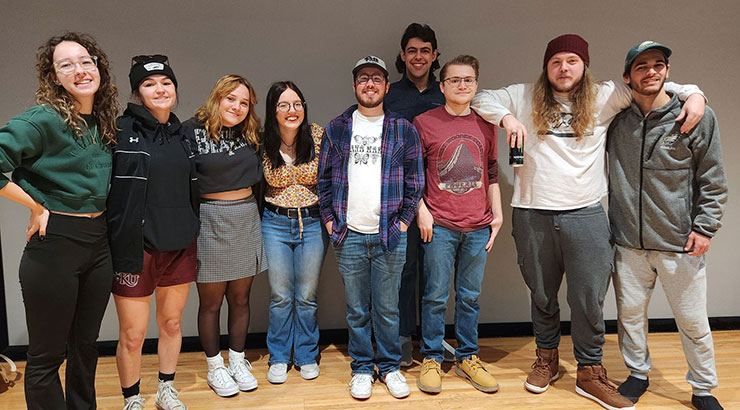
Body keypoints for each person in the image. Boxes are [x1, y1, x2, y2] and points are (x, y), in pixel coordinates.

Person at [471, 34, 707, 410]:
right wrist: (508, 117)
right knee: (543, 296)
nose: (564, 68)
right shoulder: (523, 93)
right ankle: (547, 360)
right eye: (556, 62)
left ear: (584, 66)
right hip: (532, 213)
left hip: (585, 213)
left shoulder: (606, 94)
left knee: (588, 300)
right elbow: (482, 98)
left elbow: (652, 83)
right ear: (546, 67)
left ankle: (589, 371)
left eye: (572, 61)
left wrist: (695, 94)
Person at [0, 31, 118, 410]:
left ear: (98, 65)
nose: (80, 70)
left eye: (86, 61)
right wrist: (36, 206)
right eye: (66, 64)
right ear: (53, 77)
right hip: (56, 244)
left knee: (85, 348)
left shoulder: (101, 120)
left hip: (98, 243)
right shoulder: (42, 120)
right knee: (47, 355)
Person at [608, 41, 727, 410]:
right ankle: (637, 374)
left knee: (692, 322)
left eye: (659, 65)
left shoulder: (696, 117)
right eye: (641, 66)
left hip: (679, 243)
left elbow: (713, 178)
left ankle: (703, 388)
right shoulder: (616, 121)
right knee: (629, 318)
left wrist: (705, 227)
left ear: (668, 72)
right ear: (627, 76)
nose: (652, 72)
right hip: (628, 243)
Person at [317, 56, 423, 400]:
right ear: (354, 86)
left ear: (386, 87)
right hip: (348, 235)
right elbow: (323, 182)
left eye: (377, 78)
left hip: (390, 234)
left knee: (388, 308)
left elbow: (414, 182)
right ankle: (362, 367)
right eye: (363, 78)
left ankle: (390, 366)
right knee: (358, 309)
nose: (370, 84)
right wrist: (332, 222)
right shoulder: (337, 128)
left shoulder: (402, 129)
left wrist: (405, 221)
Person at [107, 55, 200, 410]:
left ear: (175, 89)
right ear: (137, 92)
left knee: (173, 323)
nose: (159, 89)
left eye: (166, 83)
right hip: (135, 247)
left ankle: (166, 389)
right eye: (149, 84)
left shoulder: (184, 134)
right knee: (132, 335)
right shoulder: (118, 130)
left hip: (179, 245)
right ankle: (132, 398)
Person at [414, 55, 503, 394]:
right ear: (442, 86)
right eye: (454, 80)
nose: (462, 85)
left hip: (478, 226)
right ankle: (432, 357)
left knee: (469, 297)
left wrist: (497, 215)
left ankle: (468, 357)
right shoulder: (424, 123)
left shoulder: (486, 124)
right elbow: (413, 175)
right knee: (435, 296)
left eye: (468, 80)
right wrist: (421, 209)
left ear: (476, 86)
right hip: (440, 226)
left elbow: (492, 172)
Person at [184, 74, 266, 397]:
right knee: (211, 302)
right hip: (209, 219)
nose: (237, 106)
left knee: (241, 298)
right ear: (216, 97)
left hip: (245, 215)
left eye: (244, 102)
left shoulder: (252, 135)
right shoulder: (191, 131)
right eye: (230, 98)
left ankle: (237, 360)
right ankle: (215, 366)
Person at [383, 23, 450, 367]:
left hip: (444, 197)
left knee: (435, 272)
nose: (418, 56)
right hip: (402, 199)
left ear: (435, 55)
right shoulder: (390, 95)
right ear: (402, 56)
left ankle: (433, 341)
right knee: (405, 269)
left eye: (425, 50)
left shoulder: (447, 93)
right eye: (412, 50)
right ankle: (404, 339)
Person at [261, 81, 328, 384]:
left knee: (306, 295)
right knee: (280, 296)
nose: (292, 110)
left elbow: (331, 178)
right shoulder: (262, 140)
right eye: (284, 105)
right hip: (274, 223)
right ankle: (278, 356)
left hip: (312, 222)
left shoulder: (317, 135)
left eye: (297, 104)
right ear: (273, 110)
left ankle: (305, 353)